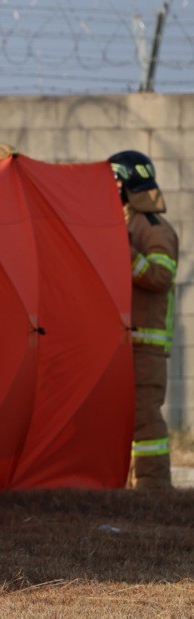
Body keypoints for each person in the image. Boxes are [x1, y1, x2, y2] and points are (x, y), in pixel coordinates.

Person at [109, 150, 179, 489]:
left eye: (115, 182)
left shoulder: (154, 228)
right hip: (124, 344)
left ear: (127, 184)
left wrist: (126, 253)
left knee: (145, 422)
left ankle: (153, 492)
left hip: (146, 349)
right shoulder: (123, 222)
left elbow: (160, 276)